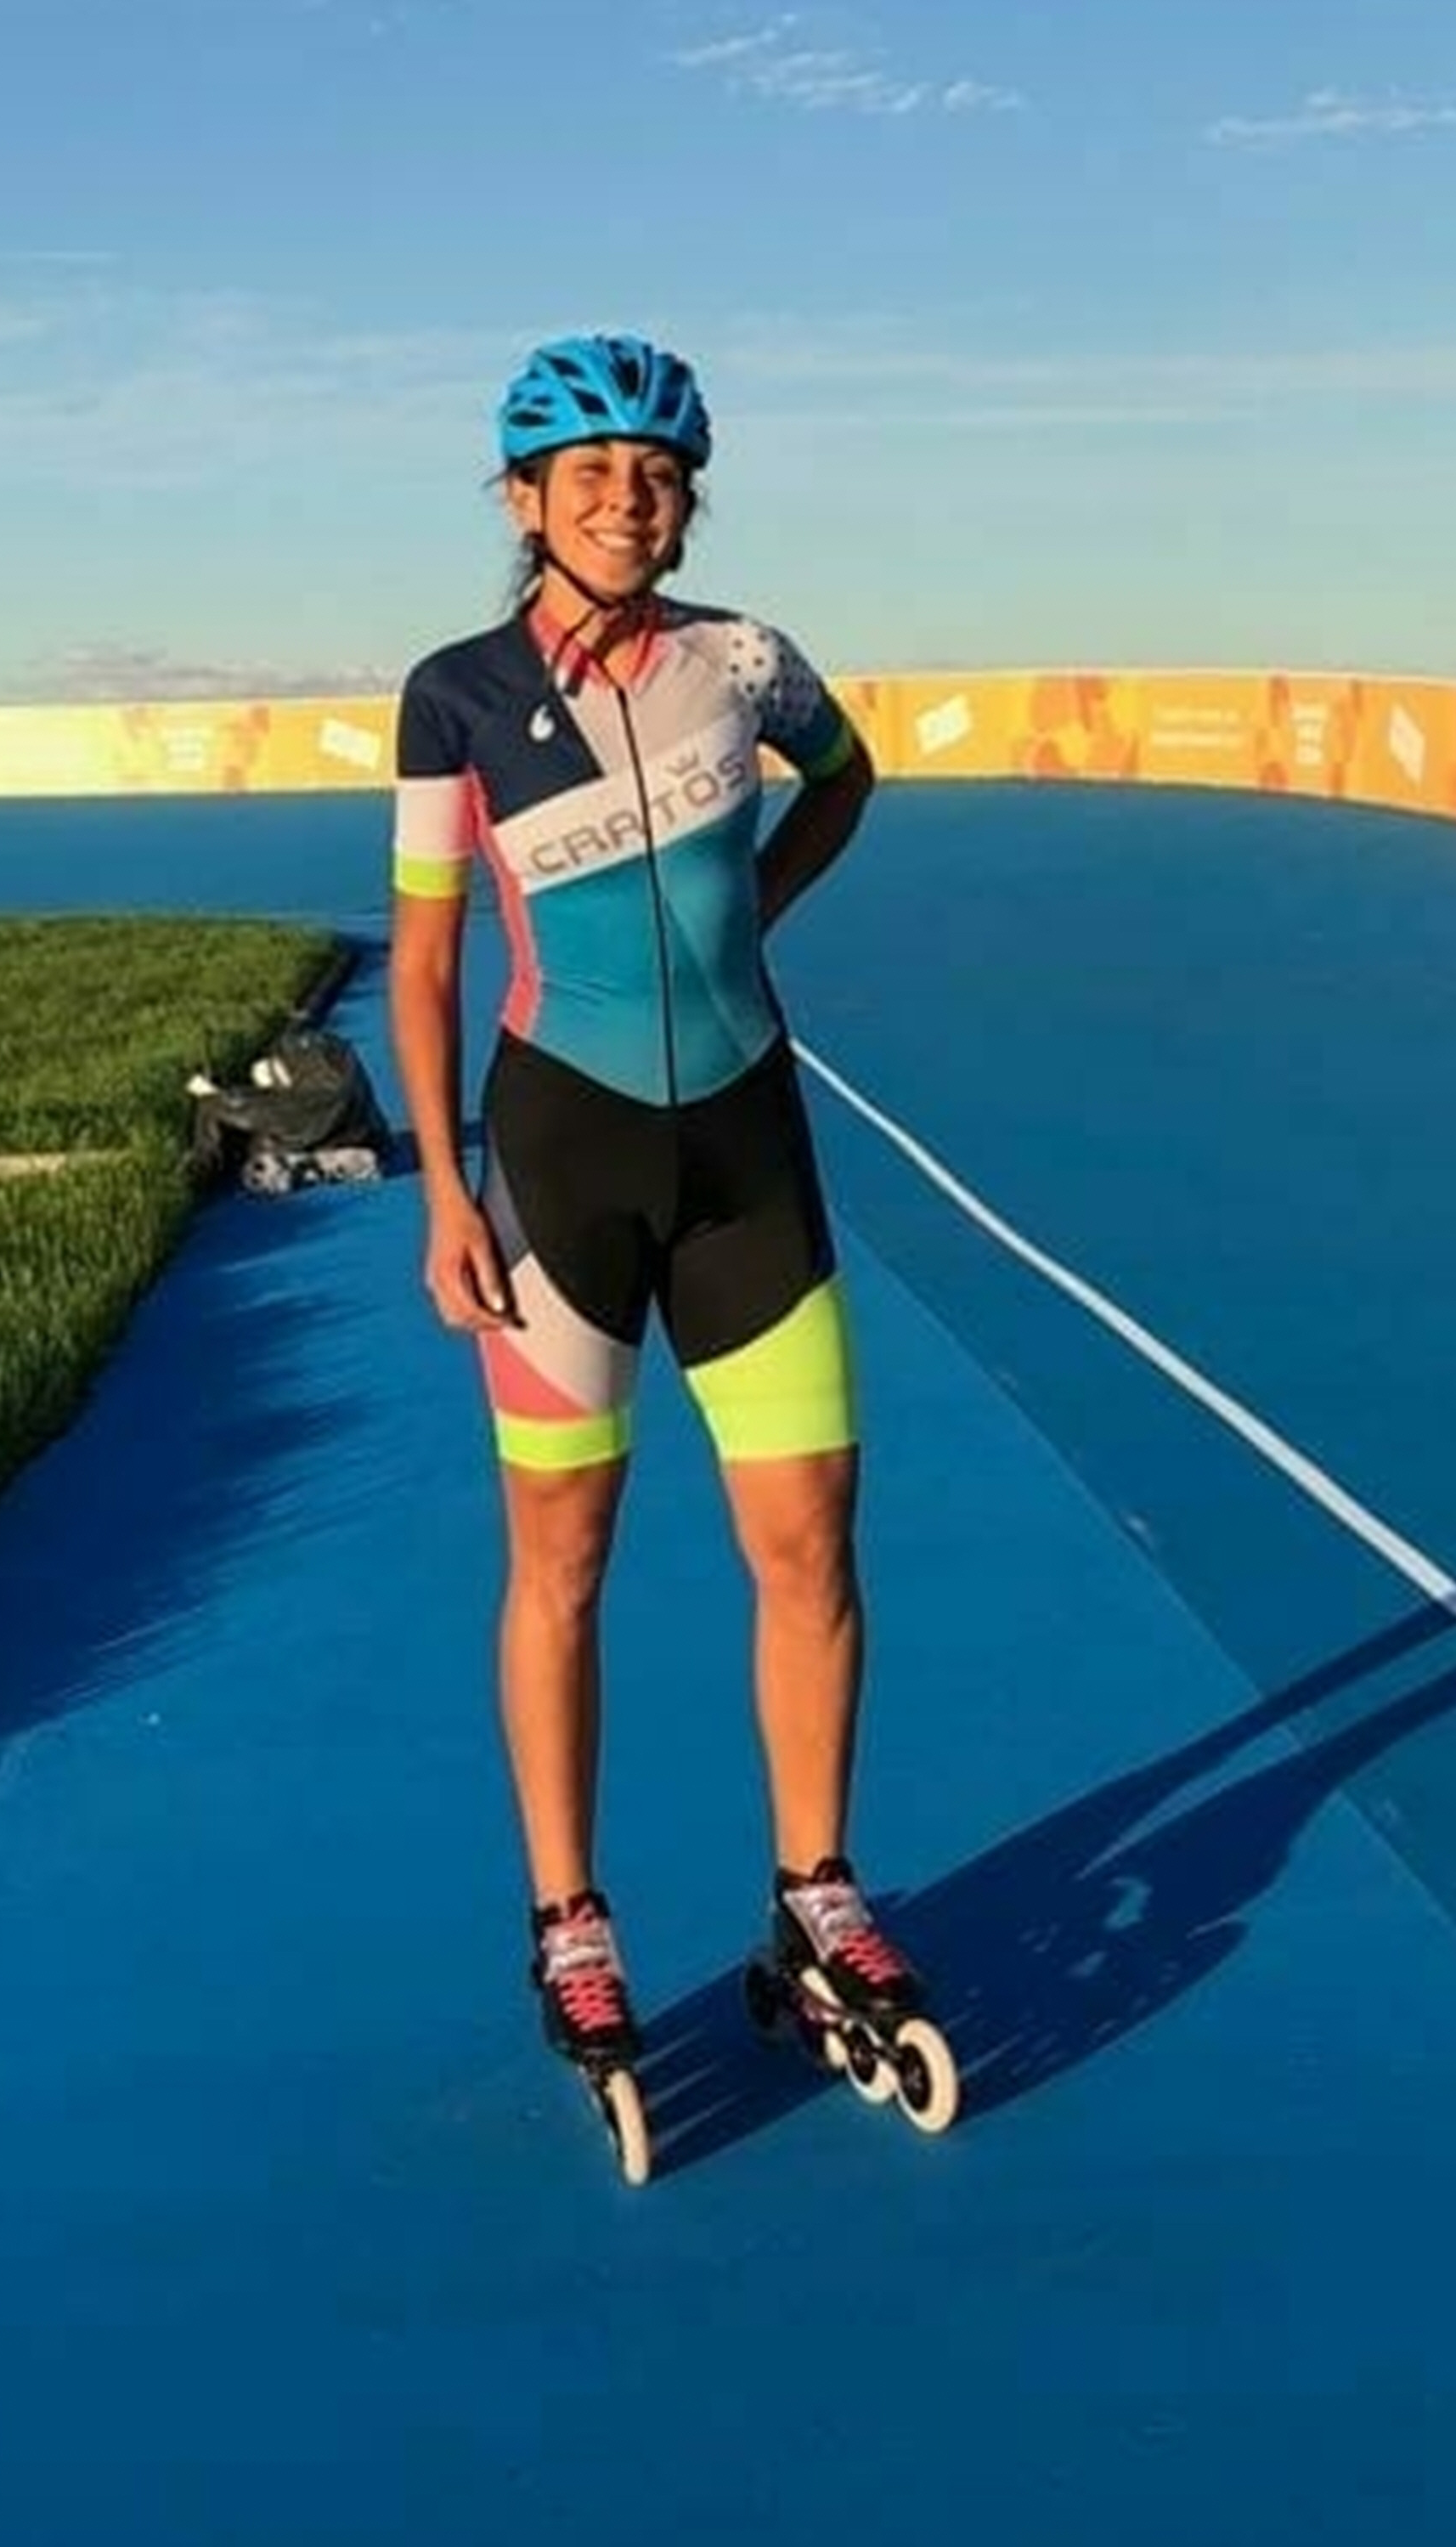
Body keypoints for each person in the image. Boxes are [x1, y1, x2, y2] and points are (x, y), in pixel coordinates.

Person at [387, 330, 926, 2074]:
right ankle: (569, 1914)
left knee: (809, 1538)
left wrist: (753, 904)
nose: (627, 497)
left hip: (747, 1157)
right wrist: (444, 1191)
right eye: (590, 472)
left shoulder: (742, 659)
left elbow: (845, 775)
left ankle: (816, 1890)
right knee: (563, 1555)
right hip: (560, 1163)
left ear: (687, 500)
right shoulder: (456, 696)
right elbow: (424, 958)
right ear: (523, 500)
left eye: (657, 472)